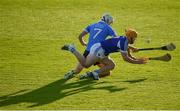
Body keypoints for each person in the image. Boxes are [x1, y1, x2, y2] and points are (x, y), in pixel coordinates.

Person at [62, 28, 147, 80]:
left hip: (103, 52)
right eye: (134, 38)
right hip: (99, 49)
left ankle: (95, 73)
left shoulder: (124, 40)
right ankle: (72, 49)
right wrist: (137, 62)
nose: (134, 40)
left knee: (111, 65)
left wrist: (135, 55)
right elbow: (126, 58)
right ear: (130, 37)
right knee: (86, 64)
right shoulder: (124, 43)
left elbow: (127, 51)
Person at [63, 13, 118, 80]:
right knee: (107, 70)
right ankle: (89, 74)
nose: (110, 24)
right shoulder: (109, 28)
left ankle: (74, 73)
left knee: (78, 69)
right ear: (108, 21)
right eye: (110, 22)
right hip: (99, 52)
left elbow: (80, 36)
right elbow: (116, 39)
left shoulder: (92, 25)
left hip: (89, 50)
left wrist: (83, 43)